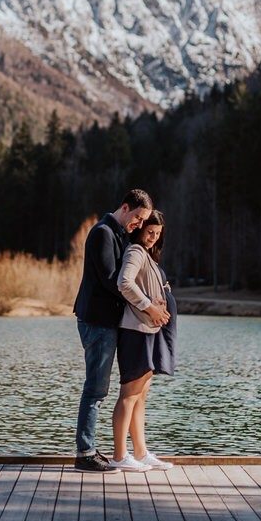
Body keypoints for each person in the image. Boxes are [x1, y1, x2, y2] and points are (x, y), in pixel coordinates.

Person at [73, 189, 167, 473]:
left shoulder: (120, 235)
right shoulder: (103, 233)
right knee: (96, 389)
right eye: (138, 218)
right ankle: (85, 453)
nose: (139, 225)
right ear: (125, 208)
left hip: (108, 322)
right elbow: (113, 281)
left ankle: (95, 450)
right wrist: (149, 306)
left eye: (143, 221)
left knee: (102, 388)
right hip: (97, 321)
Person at [110, 209, 176, 471]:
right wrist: (150, 306)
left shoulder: (147, 254)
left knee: (141, 395)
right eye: (150, 232)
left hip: (147, 331)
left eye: (158, 234)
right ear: (139, 229)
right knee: (129, 393)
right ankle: (119, 455)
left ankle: (140, 452)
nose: (153, 237)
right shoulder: (135, 251)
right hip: (135, 331)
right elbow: (124, 283)